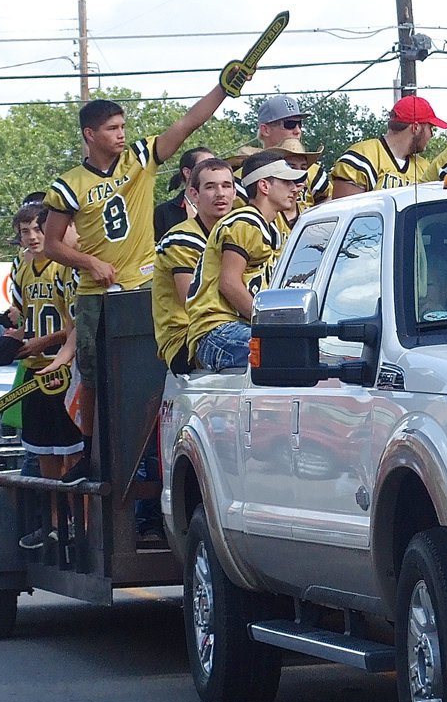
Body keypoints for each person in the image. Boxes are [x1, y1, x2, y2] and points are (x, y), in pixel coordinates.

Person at [40, 75, 242, 483]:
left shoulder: (139, 157)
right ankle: (91, 451)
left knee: (150, 374)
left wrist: (223, 88)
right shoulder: (69, 184)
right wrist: (88, 262)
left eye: (123, 127)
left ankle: (152, 457)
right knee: (95, 376)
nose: (121, 134)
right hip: (98, 293)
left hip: (144, 287)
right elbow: (50, 244)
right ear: (90, 134)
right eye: (112, 128)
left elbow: (186, 125)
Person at [6, 203, 84, 548]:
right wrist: (15, 337)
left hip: (66, 371)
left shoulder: (64, 268)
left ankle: (82, 525)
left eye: (39, 229)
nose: (33, 237)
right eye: (26, 232)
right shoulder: (23, 270)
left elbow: (76, 325)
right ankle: (55, 524)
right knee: (44, 454)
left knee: (74, 453)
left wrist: (45, 341)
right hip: (35, 371)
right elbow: (23, 318)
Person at [186, 150, 305, 371]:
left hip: (231, 330)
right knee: (292, 354)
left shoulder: (271, 227)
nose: (294, 188)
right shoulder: (246, 222)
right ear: (264, 186)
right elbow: (229, 283)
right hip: (217, 332)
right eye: (286, 181)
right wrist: (270, 326)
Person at [153, 157, 235, 374]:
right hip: (186, 340)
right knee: (269, 351)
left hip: (223, 328)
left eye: (226, 186)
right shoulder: (181, 237)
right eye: (210, 187)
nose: (220, 193)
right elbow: (194, 302)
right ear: (194, 194)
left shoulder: (235, 233)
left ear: (235, 193)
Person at [332, 96, 447, 198]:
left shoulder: (424, 167)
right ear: (416, 128)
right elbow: (345, 214)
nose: (431, 134)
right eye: (430, 128)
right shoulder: (362, 157)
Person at [251, 94, 332, 207]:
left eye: (300, 124)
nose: (298, 131)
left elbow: (329, 204)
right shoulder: (248, 173)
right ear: (265, 130)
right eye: (290, 124)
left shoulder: (314, 172)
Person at [154, 146, 214, 240]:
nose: (213, 171)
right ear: (187, 172)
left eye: (216, 165)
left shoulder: (225, 205)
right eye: (205, 166)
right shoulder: (164, 213)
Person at [270, 137, 324, 241]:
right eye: (292, 167)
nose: (299, 173)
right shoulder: (269, 214)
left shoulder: (310, 215)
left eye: (303, 168)